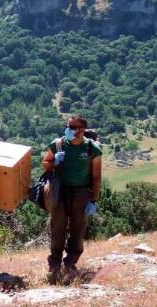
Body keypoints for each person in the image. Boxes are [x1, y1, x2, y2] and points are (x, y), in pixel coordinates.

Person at [42, 116, 102, 283]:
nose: (68, 129)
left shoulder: (92, 149)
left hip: (81, 193)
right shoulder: (58, 144)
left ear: (81, 130)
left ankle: (70, 263)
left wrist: (93, 200)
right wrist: (54, 161)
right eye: (68, 126)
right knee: (57, 228)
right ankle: (54, 264)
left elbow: (97, 177)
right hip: (60, 192)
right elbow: (45, 163)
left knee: (78, 229)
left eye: (72, 127)